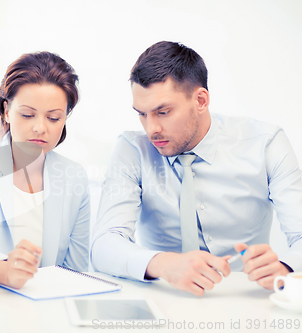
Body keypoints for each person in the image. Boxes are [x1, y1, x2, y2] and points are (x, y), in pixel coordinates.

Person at [91, 41, 302, 296]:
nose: (151, 129)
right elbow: (103, 244)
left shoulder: (265, 143)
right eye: (142, 114)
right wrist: (164, 264)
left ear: (200, 100)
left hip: (247, 296)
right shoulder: (132, 150)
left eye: (163, 112)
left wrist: (286, 267)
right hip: (164, 295)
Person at [0, 51, 90, 288]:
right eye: (27, 115)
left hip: (52, 307)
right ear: (6, 111)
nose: (40, 128)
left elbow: (76, 270)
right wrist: (4, 270)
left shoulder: (75, 177)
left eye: (53, 118)